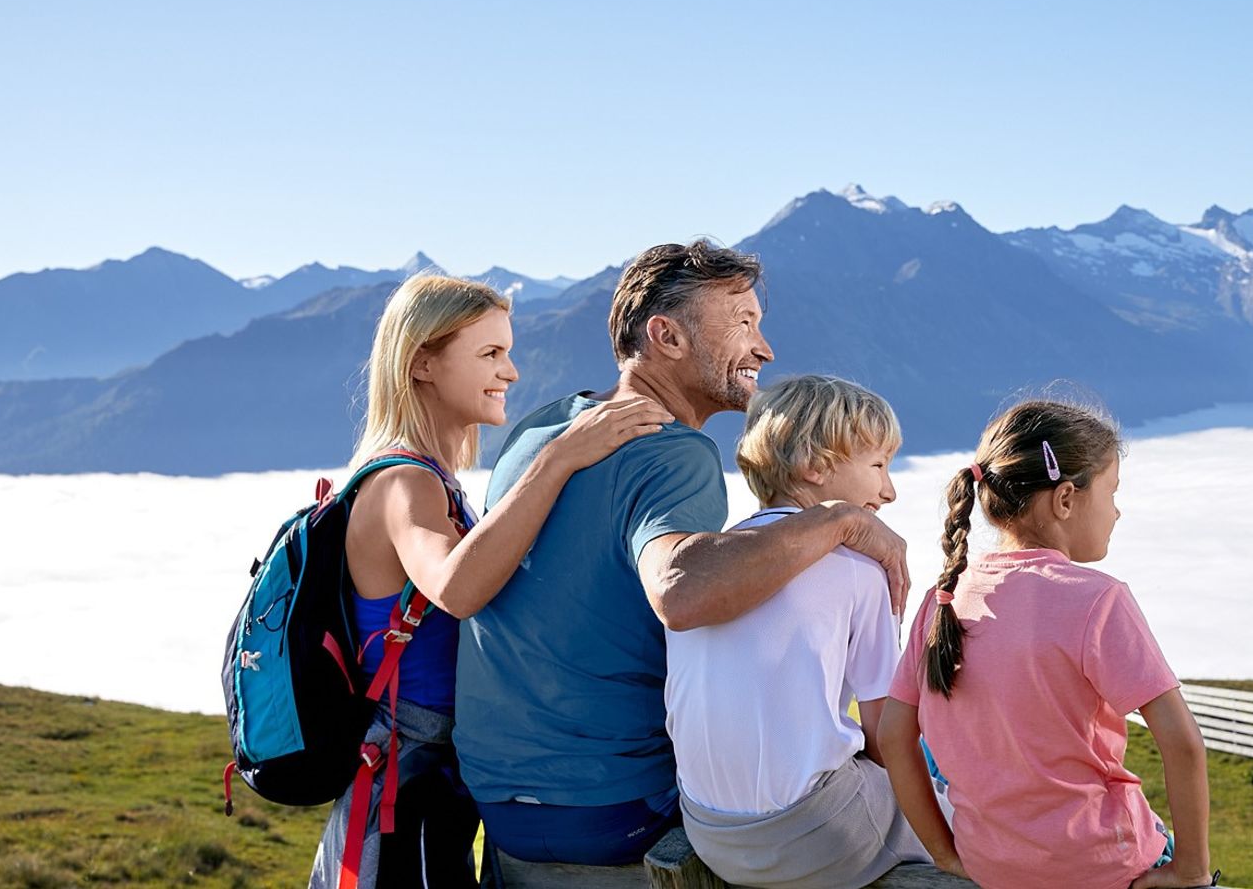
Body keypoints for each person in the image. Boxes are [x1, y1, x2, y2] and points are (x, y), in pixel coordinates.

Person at [454, 242, 910, 881]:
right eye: (742, 323)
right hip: (615, 807)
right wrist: (839, 518)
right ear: (665, 336)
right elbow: (681, 589)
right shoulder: (673, 453)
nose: (765, 349)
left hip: (499, 807)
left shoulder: (541, 430)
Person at [308, 274, 671, 889]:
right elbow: (457, 588)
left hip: (436, 780)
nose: (511, 372)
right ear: (422, 363)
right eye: (490, 354)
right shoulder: (403, 484)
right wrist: (560, 456)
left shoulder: (430, 481)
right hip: (405, 784)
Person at [879, 400, 1214, 889]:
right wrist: (1191, 870)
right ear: (1064, 499)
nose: (1117, 511)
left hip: (992, 866)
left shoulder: (943, 599)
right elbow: (1182, 744)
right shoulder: (1098, 599)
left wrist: (946, 853)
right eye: (1112, 491)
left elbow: (893, 736)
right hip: (1101, 866)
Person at [665, 375, 930, 889]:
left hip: (711, 833)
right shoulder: (861, 567)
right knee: (959, 815)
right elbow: (885, 735)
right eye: (878, 465)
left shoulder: (716, 561)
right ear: (815, 465)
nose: (889, 491)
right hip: (814, 836)